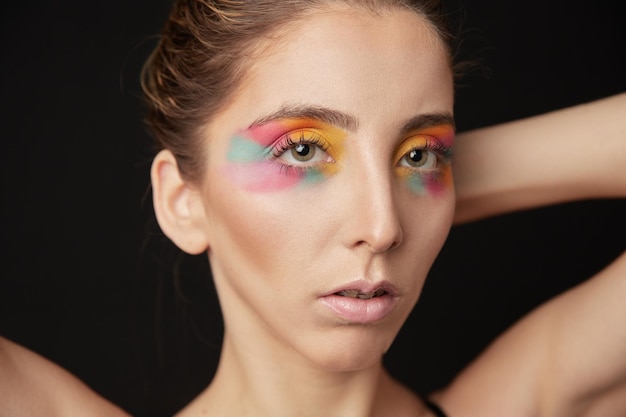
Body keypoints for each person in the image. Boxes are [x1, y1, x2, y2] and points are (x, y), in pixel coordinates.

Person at [1, 1, 624, 416]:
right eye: (301, 149)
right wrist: (415, 166)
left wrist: (445, 170)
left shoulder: (542, 399)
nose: (382, 228)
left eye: (420, 154)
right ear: (181, 199)